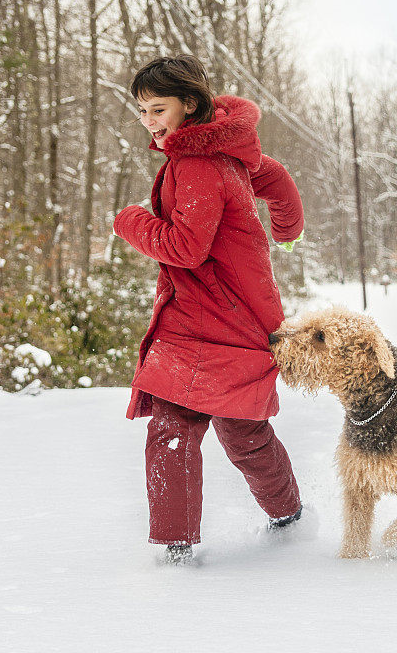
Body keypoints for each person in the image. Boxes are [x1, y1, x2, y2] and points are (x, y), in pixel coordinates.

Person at [112, 54, 306, 564]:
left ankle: (176, 554)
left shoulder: (196, 164)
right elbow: (277, 177)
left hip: (208, 319)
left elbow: (185, 247)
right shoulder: (226, 152)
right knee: (244, 430)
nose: (150, 121)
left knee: (174, 428)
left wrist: (130, 222)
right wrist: (287, 232)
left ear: (190, 105)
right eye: (142, 111)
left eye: (159, 109)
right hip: (234, 313)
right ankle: (289, 518)